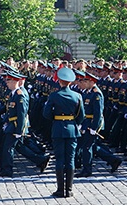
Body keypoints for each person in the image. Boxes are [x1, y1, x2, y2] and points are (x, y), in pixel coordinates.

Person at [43, 67, 85, 198]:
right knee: (70, 159)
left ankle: (61, 189)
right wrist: (73, 122)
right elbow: (81, 115)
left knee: (60, 159)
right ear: (70, 82)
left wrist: (55, 119)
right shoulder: (77, 95)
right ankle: (69, 189)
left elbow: (46, 114)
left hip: (58, 128)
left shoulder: (54, 95)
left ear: (60, 81)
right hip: (72, 129)